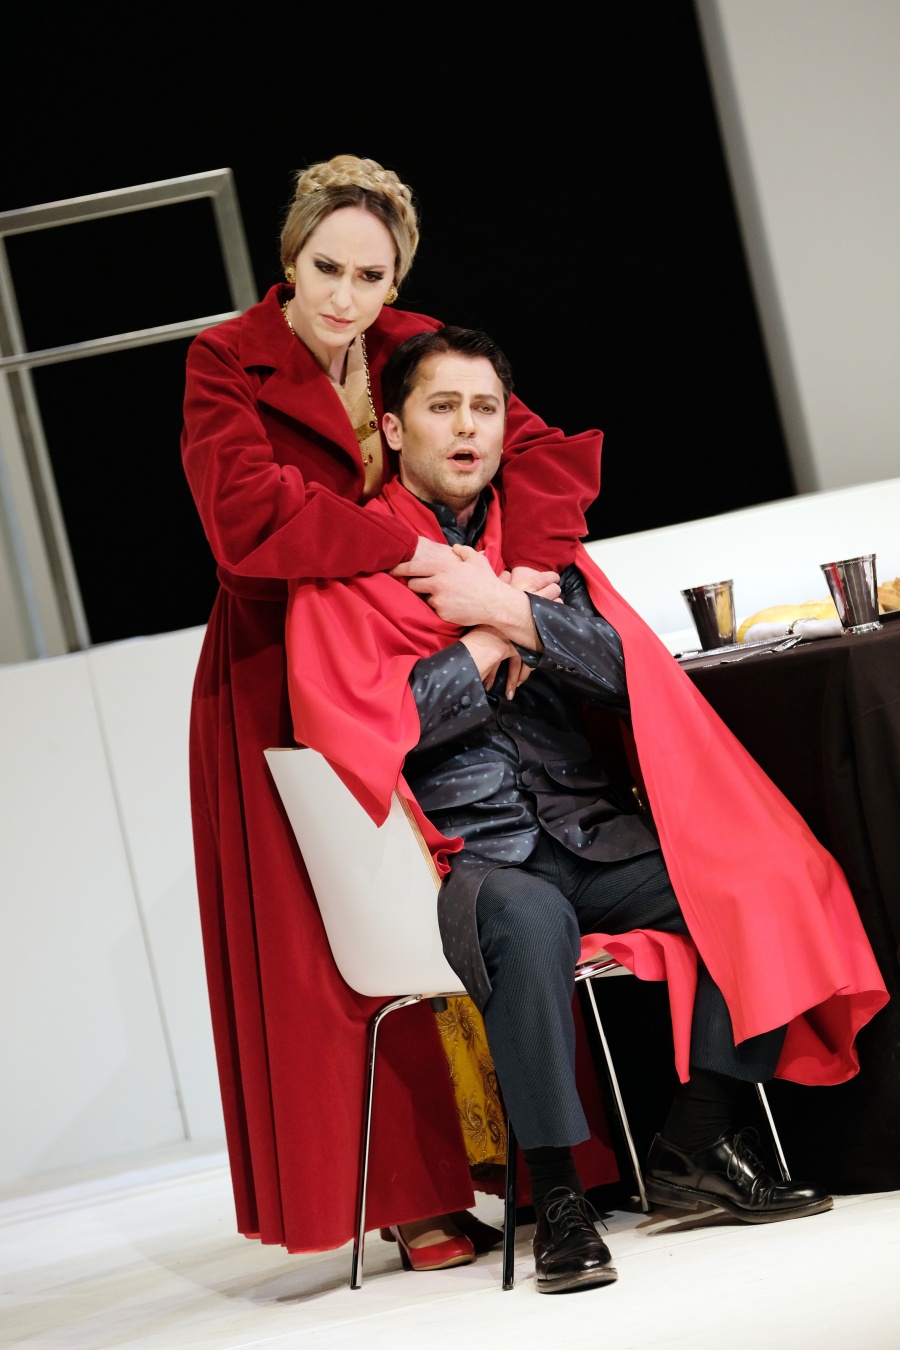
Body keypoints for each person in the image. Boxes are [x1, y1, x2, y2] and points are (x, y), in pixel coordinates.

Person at [285, 326, 888, 1292]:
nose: (467, 428)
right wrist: (480, 650)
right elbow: (369, 730)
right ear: (393, 428)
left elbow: (625, 676)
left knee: (772, 872)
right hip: (469, 859)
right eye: (443, 408)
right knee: (530, 921)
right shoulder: (351, 570)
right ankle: (560, 1198)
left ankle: (697, 1141)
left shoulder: (539, 553)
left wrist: (514, 610)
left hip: (589, 837)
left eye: (485, 409)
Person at [180, 155, 612, 1263]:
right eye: (326, 267)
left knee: (488, 884)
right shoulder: (226, 358)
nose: (345, 296)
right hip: (276, 665)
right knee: (334, 934)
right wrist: (412, 550)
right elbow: (245, 515)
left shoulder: (408, 342)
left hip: (426, 630)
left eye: (369, 276)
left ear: (396, 279)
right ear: (289, 258)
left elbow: (541, 451)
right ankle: (410, 1194)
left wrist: (526, 574)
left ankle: (548, 1170)